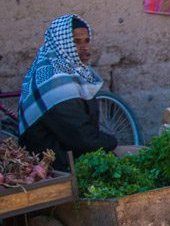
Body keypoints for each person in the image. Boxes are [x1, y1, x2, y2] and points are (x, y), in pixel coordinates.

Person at [18, 15, 132, 171]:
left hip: (71, 157)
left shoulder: (70, 71)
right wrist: (115, 147)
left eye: (87, 41)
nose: (85, 48)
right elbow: (80, 136)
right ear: (60, 44)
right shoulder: (54, 79)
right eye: (76, 42)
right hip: (54, 167)